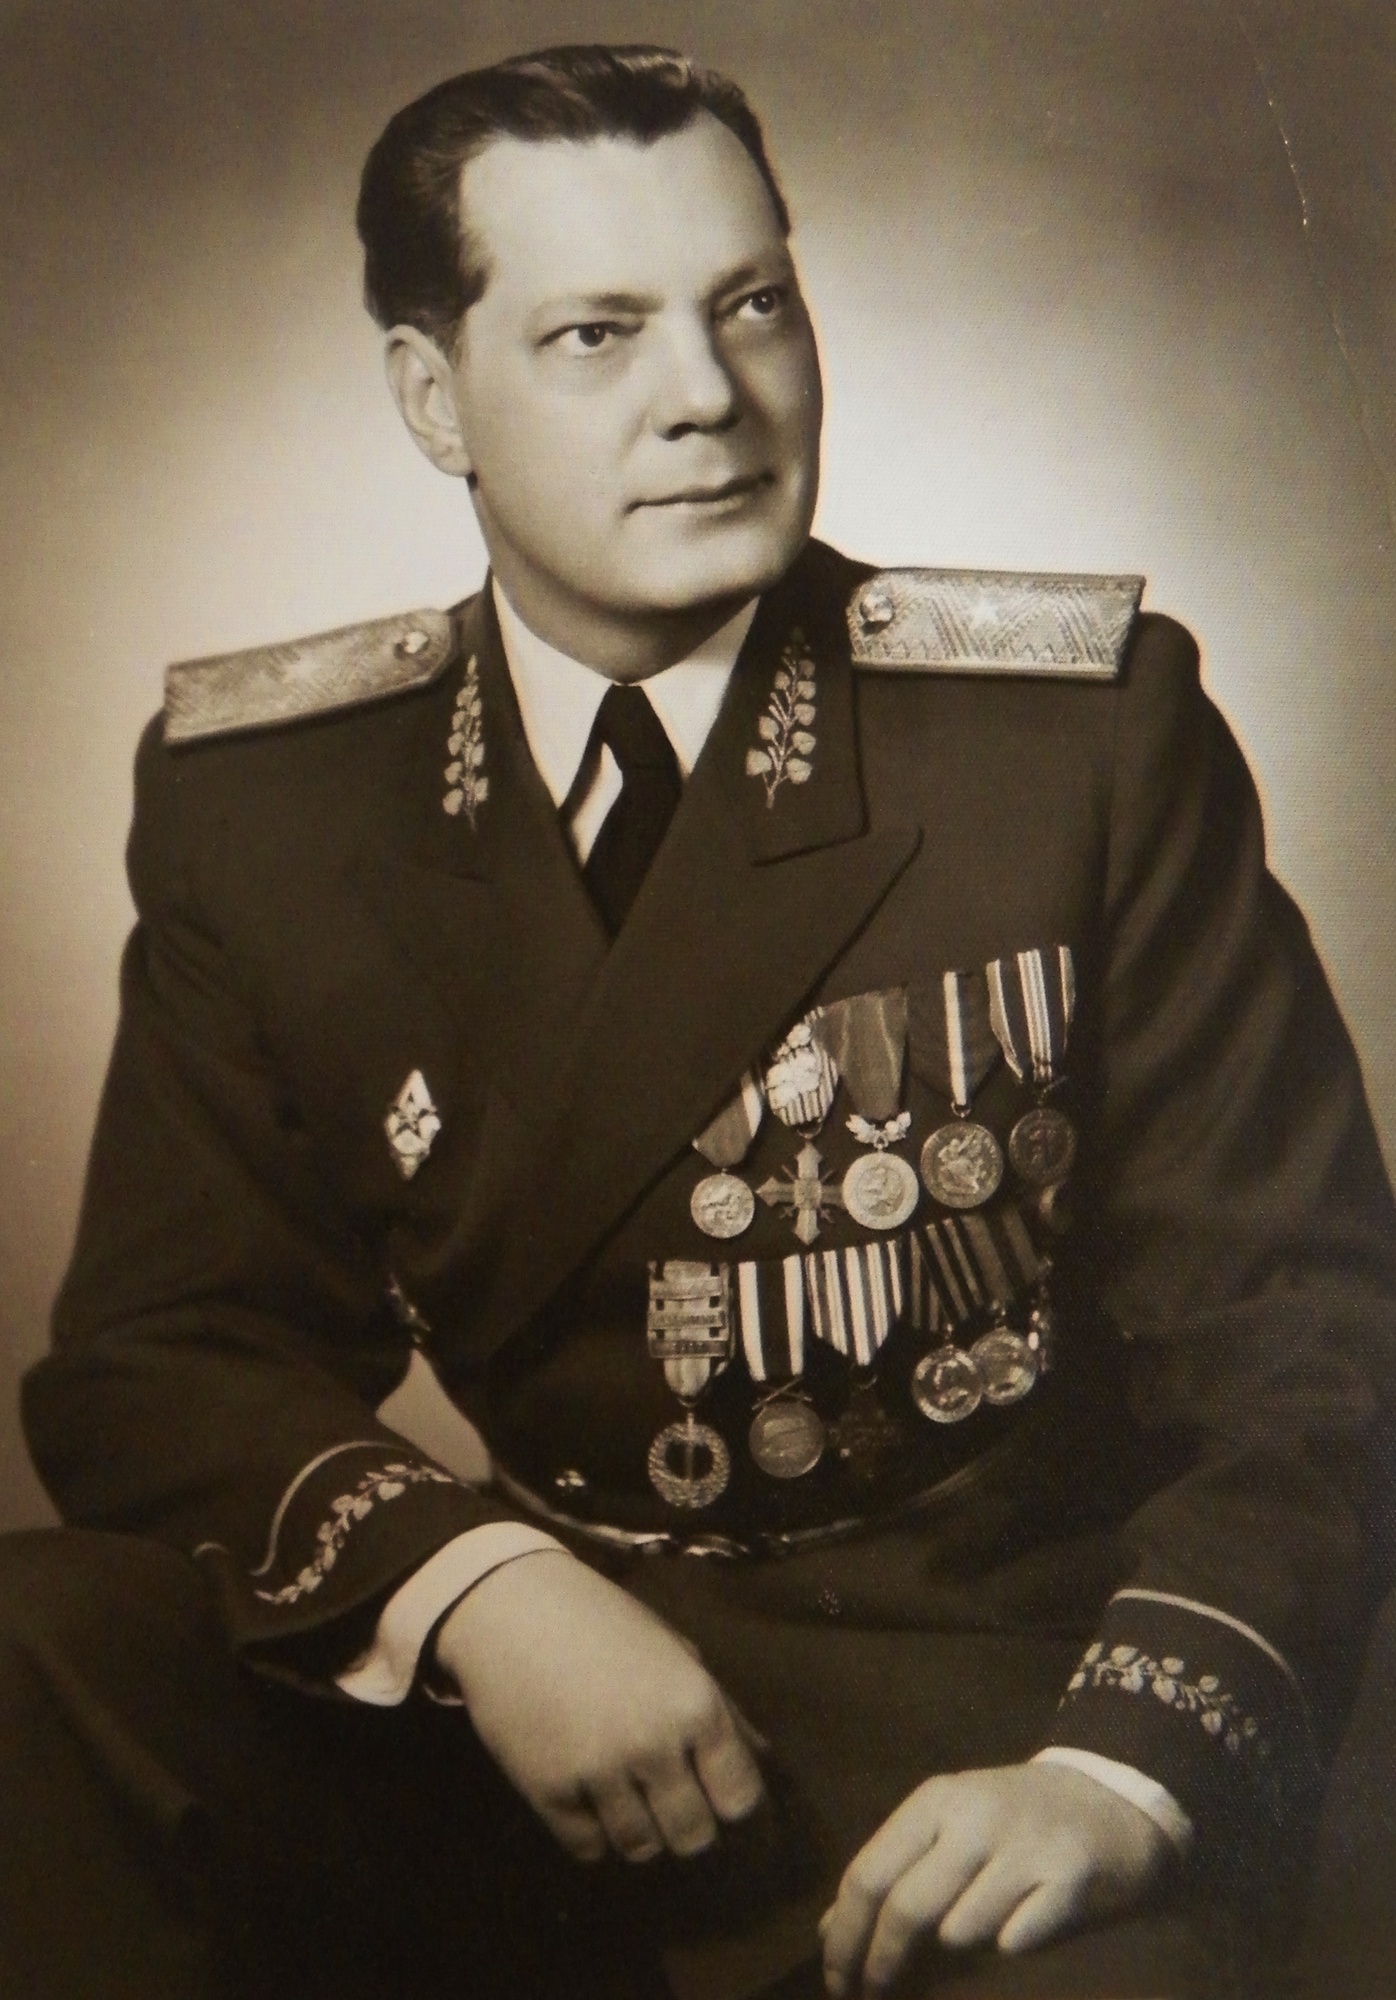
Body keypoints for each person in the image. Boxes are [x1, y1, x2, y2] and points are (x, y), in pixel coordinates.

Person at [7, 41, 1396, 2000]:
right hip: (541, 1722)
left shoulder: (1067, 745)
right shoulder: (278, 802)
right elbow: (162, 1356)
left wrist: (1119, 1772)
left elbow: (1308, 1351)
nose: (708, 396)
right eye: (596, 334)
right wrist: (479, 1589)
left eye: (751, 303)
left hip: (987, 1733)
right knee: (43, 1641)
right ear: (431, 395)